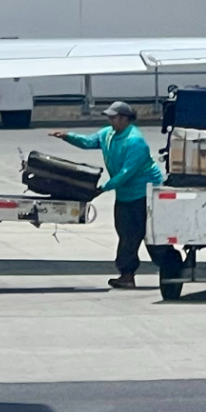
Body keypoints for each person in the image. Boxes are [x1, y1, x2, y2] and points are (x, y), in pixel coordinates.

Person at [52, 100, 164, 290]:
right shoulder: (108, 134)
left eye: (113, 117)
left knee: (150, 236)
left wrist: (102, 188)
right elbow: (89, 142)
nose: (110, 120)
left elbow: (127, 173)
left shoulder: (135, 141)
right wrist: (68, 136)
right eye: (109, 117)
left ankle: (171, 267)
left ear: (125, 119)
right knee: (125, 234)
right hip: (124, 194)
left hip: (144, 194)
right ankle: (127, 275)